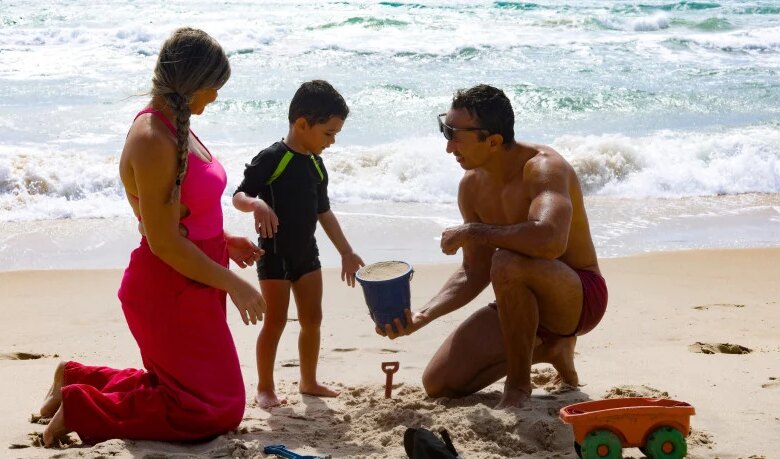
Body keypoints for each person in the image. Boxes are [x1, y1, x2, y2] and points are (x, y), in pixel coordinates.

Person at [38, 28, 266, 447]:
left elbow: (186, 214)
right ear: (191, 82)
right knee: (211, 409)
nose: (214, 98)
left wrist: (223, 239)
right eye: (212, 88)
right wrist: (233, 282)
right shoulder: (152, 138)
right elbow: (163, 242)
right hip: (169, 289)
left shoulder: (180, 126)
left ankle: (78, 378)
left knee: (201, 396)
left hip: (198, 278)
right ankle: (80, 407)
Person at [378, 84, 607, 410]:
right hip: (518, 301)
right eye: (446, 131)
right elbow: (473, 271)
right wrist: (422, 316)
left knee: (506, 261)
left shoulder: (543, 169)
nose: (448, 147)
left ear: (494, 141)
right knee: (440, 383)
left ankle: (517, 389)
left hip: (576, 295)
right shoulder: (471, 187)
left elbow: (550, 240)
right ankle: (549, 349)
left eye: (456, 135)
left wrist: (474, 231)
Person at [232, 80, 364, 408]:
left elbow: (324, 212)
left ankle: (308, 380)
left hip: (308, 255)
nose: (332, 142)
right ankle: (265, 387)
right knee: (274, 322)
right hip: (273, 255)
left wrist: (346, 251)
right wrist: (257, 205)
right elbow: (238, 196)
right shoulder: (273, 158)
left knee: (313, 319)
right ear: (302, 124)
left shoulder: (317, 165)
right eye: (328, 133)